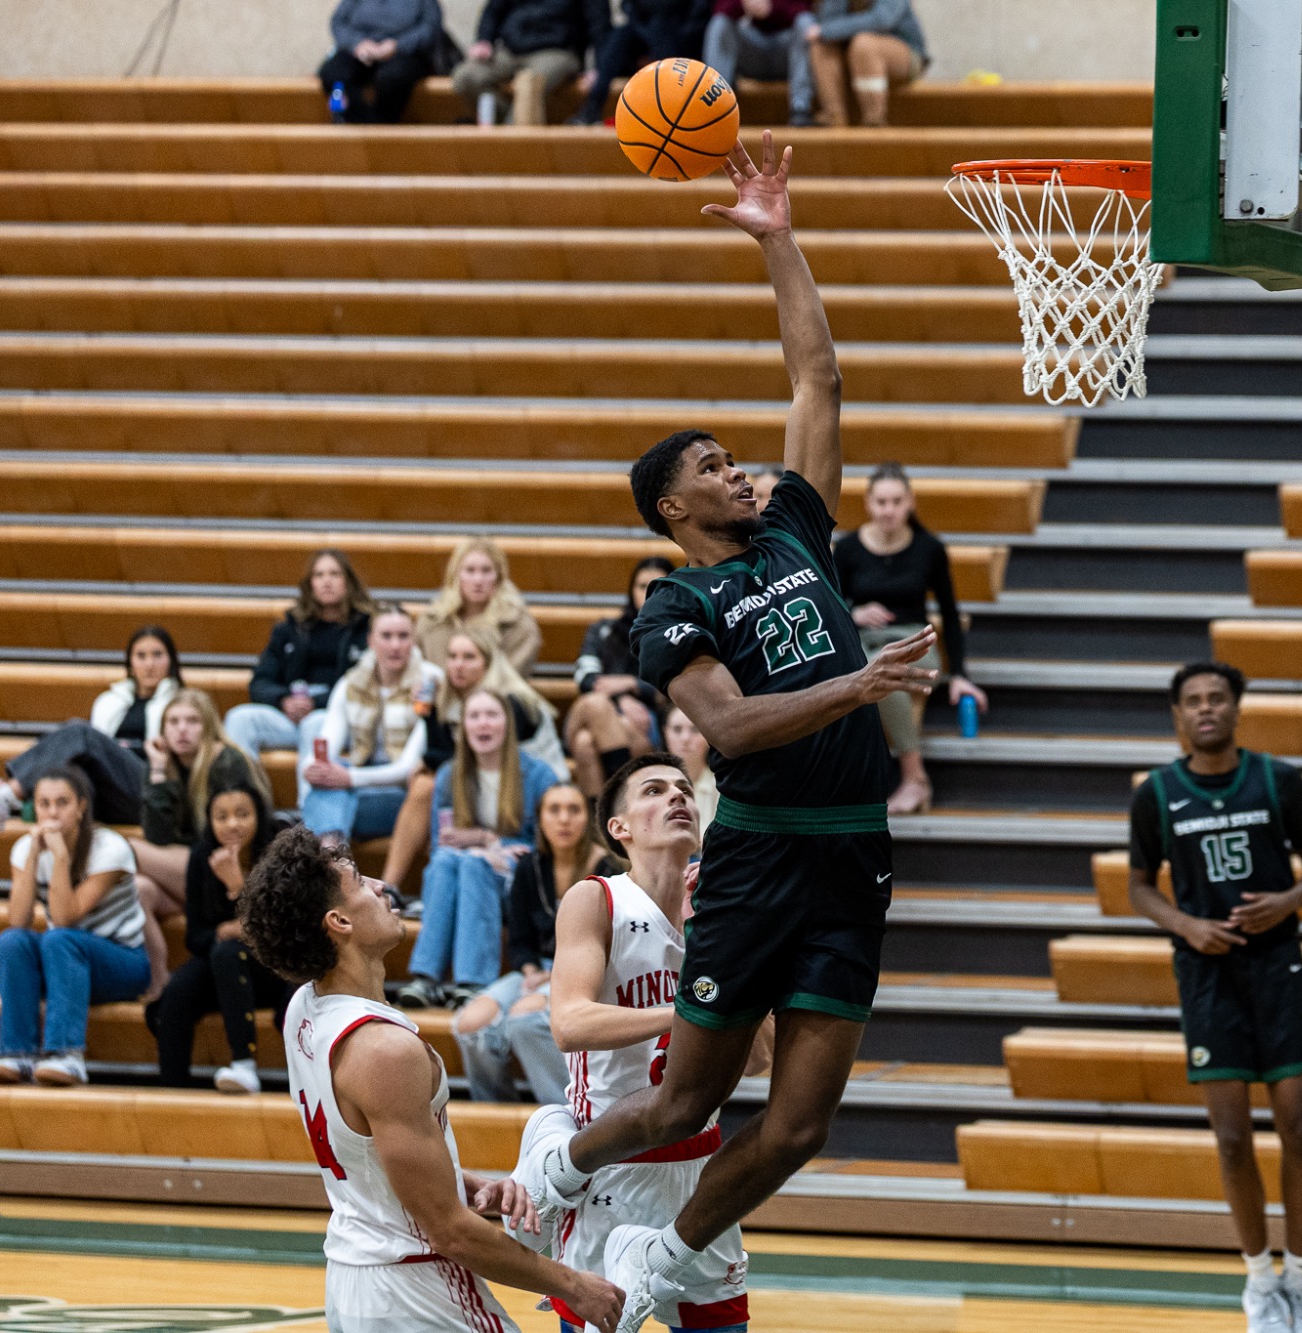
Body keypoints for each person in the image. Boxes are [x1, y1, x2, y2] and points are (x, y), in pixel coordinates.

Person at [510, 134, 939, 1333]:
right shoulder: (677, 604)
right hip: (753, 857)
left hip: (851, 852)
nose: (737, 468)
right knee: (675, 1103)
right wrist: (856, 689)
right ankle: (555, 1167)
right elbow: (731, 727)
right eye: (711, 465)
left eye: (731, 455)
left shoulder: (796, 526)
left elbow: (818, 383)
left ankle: (667, 1255)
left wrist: (777, 236)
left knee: (799, 1124)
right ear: (672, 508)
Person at [237, 827, 625, 1333]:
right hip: (417, 1287)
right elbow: (450, 1233)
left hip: (355, 1279)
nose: (380, 886)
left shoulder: (304, 1009)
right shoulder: (384, 1051)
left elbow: (365, 1153)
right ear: (338, 921)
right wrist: (575, 1285)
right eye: (359, 881)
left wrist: (457, 1182)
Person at [508, 754, 772, 1331]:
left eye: (683, 788)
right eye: (653, 790)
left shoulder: (722, 910)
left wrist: (713, 938)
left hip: (700, 1173)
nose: (676, 796)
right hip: (610, 1168)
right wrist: (684, 1015)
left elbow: (759, 1058)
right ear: (619, 828)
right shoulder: (596, 898)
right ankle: (551, 1151)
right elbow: (570, 1022)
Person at [1127, 662, 1302, 1333]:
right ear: (1177, 716)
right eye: (1193, 700)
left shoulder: (1277, 778)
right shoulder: (1157, 792)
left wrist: (1288, 900)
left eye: (1218, 697)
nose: (1207, 708)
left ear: (1237, 708)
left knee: (1299, 1127)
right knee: (1232, 1139)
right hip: (1208, 977)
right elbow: (1139, 887)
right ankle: (1257, 1285)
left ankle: (1301, 1283)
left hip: (1279, 968)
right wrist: (1187, 924)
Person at [455, 781, 625, 1103]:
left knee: (526, 1018)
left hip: (591, 975)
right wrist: (531, 969)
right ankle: (496, 1117)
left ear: (588, 819)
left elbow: (614, 946)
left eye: (573, 810)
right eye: (554, 810)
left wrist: (553, 976)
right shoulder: (528, 868)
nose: (564, 819)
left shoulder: (611, 870)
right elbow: (520, 941)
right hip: (540, 969)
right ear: (540, 818)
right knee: (471, 1024)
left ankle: (571, 1112)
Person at [833, 462, 988, 814]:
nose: (889, 510)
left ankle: (914, 777)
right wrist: (853, 612)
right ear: (868, 503)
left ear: (910, 503)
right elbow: (830, 604)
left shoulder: (929, 548)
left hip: (913, 643)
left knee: (881, 671)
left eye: (896, 501)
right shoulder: (849, 548)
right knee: (859, 668)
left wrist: (960, 674)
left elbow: (949, 611)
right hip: (860, 638)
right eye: (882, 502)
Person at [0, 768, 148, 1088]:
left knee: (59, 939)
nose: (52, 813)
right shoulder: (24, 848)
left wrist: (59, 856)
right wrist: (32, 857)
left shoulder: (110, 848)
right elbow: (17, 920)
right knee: (11, 942)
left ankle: (66, 1055)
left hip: (123, 963)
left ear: (81, 807)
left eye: (62, 803)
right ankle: (17, 1053)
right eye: (44, 804)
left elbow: (64, 918)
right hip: (63, 964)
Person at [398, 690, 557, 1009]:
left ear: (507, 724)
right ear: (462, 727)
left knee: (474, 863)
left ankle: (473, 981)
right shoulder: (448, 775)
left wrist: (490, 843)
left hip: (517, 875)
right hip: (463, 869)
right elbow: (443, 842)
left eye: (491, 715)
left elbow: (547, 848)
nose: (483, 724)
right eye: (474, 716)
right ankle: (426, 979)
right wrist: (483, 844)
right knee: (446, 862)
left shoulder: (539, 775)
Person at [381, 626, 566, 891]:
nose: (458, 665)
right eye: (452, 656)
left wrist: (428, 759)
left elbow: (481, 752)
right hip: (488, 792)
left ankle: (391, 885)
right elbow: (450, 754)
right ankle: (391, 889)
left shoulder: (511, 702)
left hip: (534, 797)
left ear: (489, 663)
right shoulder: (457, 700)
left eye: (469, 657)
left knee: (426, 787)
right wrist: (430, 715)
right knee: (446, 848)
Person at [0, 625, 181, 831]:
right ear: (130, 662)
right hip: (108, 793)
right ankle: (14, 799)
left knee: (80, 732)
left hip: (149, 789)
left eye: (157, 655)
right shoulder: (110, 701)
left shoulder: (181, 704)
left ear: (171, 660)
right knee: (71, 761)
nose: (149, 664)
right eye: (141, 656)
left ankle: (7, 798)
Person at [147, 779, 287, 1095]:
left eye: (242, 814)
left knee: (228, 952)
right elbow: (195, 936)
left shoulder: (279, 854)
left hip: (278, 966)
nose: (232, 824)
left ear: (259, 815)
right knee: (177, 991)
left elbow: (285, 930)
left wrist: (239, 887)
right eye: (221, 816)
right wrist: (226, 933)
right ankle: (172, 1090)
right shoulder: (202, 857)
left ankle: (243, 1065)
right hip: (225, 966)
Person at [132, 688, 268, 1002]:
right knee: (139, 888)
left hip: (229, 869)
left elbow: (233, 836)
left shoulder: (226, 762)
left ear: (207, 726)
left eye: (192, 721)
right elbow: (157, 835)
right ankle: (159, 974)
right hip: (190, 868)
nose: (182, 729)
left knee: (126, 849)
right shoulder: (161, 764)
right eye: (173, 721)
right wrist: (155, 771)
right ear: (162, 729)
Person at [224, 549, 375, 764]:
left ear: (348, 581)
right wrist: (284, 700)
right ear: (309, 584)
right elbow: (260, 682)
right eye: (319, 575)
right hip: (291, 715)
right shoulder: (289, 629)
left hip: (340, 718)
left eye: (334, 574)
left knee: (316, 723)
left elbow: (366, 687)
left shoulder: (367, 629)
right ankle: (243, 795)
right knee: (239, 719)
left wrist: (315, 702)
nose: (326, 581)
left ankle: (307, 799)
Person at [303, 605, 439, 845]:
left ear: (414, 640)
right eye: (386, 636)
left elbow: (406, 768)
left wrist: (349, 778)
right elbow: (326, 744)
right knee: (325, 785)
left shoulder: (429, 681)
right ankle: (332, 854)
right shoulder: (351, 683)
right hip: (359, 780)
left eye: (403, 636)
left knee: (324, 801)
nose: (395, 645)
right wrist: (312, 767)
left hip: (404, 792)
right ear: (371, 641)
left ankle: (327, 852)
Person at [565, 556, 671, 801]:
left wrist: (631, 684)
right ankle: (619, 802)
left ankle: (600, 825)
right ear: (631, 590)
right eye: (642, 586)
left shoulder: (677, 635)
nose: (649, 594)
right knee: (595, 704)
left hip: (645, 726)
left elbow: (670, 687)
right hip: (594, 713)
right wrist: (623, 697)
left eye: (658, 586)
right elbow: (584, 675)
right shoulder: (603, 630)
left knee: (585, 742)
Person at [452, 0, 611, 126]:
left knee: (529, 84)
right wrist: (484, 40)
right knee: (465, 76)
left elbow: (599, 24)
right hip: (511, 50)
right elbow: (493, 11)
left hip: (557, 51)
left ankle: (514, 144)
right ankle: (508, 122)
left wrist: (599, 67)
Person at [568, 0, 715, 126]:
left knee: (661, 29)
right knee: (621, 35)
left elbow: (698, 15)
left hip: (680, 43)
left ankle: (675, 113)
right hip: (643, 35)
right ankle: (593, 107)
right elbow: (628, 6)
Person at [415, 537, 544, 678]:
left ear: (499, 577)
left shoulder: (519, 626)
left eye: (486, 571)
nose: (478, 580)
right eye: (470, 571)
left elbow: (509, 684)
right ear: (456, 575)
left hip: (493, 699)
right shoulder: (432, 623)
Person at [318, 0, 446, 124]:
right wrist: (357, 44)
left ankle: (376, 130)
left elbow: (431, 27)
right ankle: (370, 126)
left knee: (393, 78)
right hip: (361, 50)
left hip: (404, 53)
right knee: (332, 73)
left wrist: (397, 45)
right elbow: (338, 22)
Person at [805, 0, 926, 127]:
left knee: (863, 45)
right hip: (851, 58)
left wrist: (828, 30)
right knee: (820, 45)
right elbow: (826, 21)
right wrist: (827, 30)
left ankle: (874, 121)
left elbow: (881, 20)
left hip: (903, 53)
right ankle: (834, 118)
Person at [705, 0, 816, 127]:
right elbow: (720, 8)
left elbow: (805, 8)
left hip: (788, 52)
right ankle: (717, 107)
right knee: (720, 23)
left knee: (806, 22)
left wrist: (772, 8)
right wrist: (743, 4)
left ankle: (801, 109)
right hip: (751, 49)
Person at [662, 708, 718, 827]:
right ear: (665, 733)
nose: (685, 738)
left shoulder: (722, 787)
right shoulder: (653, 785)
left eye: (695, 729)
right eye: (677, 729)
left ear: (709, 736)